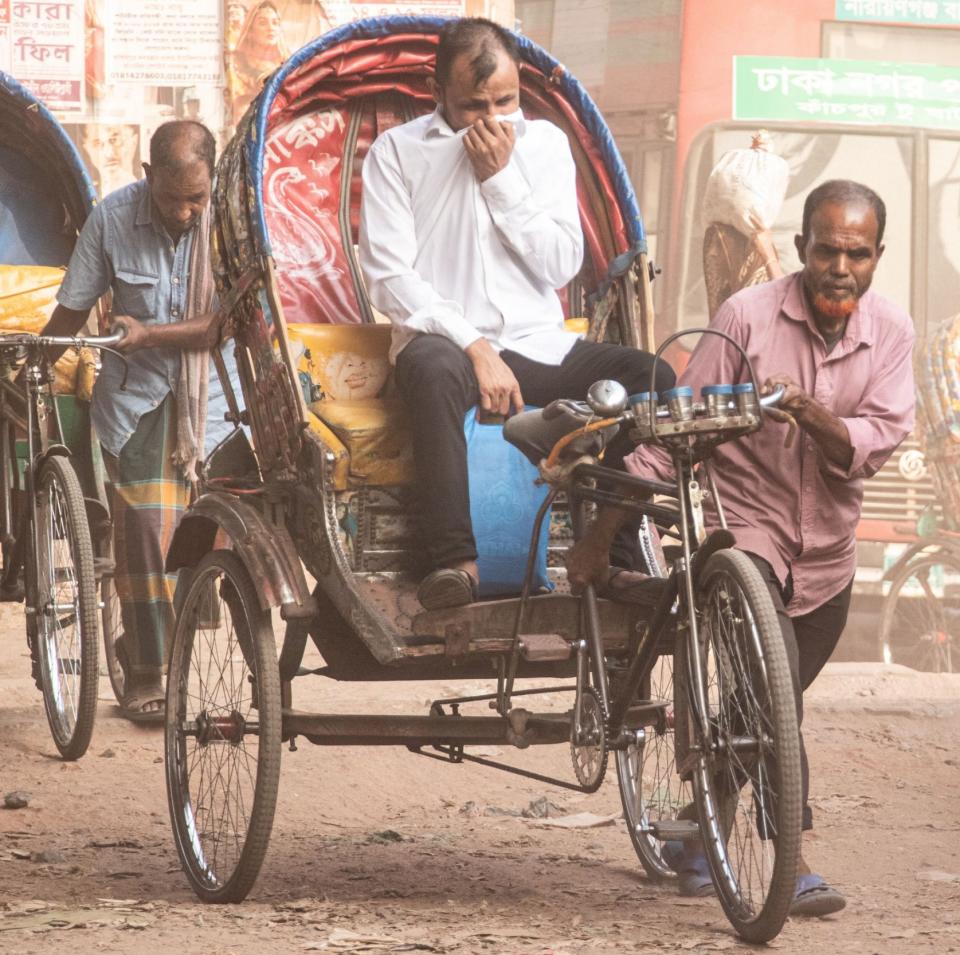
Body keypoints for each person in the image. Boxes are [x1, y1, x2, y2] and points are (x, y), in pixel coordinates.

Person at [567, 179, 916, 916]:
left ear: (877, 257)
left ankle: (699, 836)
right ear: (800, 250)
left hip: (828, 558)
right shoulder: (744, 320)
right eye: (827, 250)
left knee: (765, 711)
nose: (840, 267)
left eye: (857, 253)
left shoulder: (892, 331)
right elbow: (671, 435)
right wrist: (600, 534)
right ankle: (792, 859)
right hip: (742, 536)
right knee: (773, 688)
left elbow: (874, 442)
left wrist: (805, 411)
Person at [358, 17, 674, 611]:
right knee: (429, 368)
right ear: (436, 93)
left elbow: (560, 265)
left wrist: (502, 181)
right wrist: (474, 345)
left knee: (653, 378)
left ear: (520, 87)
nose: (492, 119)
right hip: (443, 345)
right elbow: (389, 276)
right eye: (473, 105)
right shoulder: (396, 154)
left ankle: (610, 554)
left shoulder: (546, 146)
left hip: (536, 346)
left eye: (505, 101)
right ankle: (455, 563)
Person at [40, 121, 239, 722]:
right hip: (138, 402)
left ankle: (182, 654)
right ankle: (147, 672)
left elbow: (223, 323)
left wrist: (148, 333)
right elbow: (73, 309)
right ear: (148, 176)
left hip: (217, 404)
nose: (185, 212)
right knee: (149, 539)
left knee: (222, 544)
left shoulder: (231, 222)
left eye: (196, 198)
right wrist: (34, 360)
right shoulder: (112, 218)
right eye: (172, 197)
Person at [228, 1, 289, 124]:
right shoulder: (236, 64)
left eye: (275, 23)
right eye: (262, 23)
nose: (271, 28)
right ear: (250, 30)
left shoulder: (287, 65)